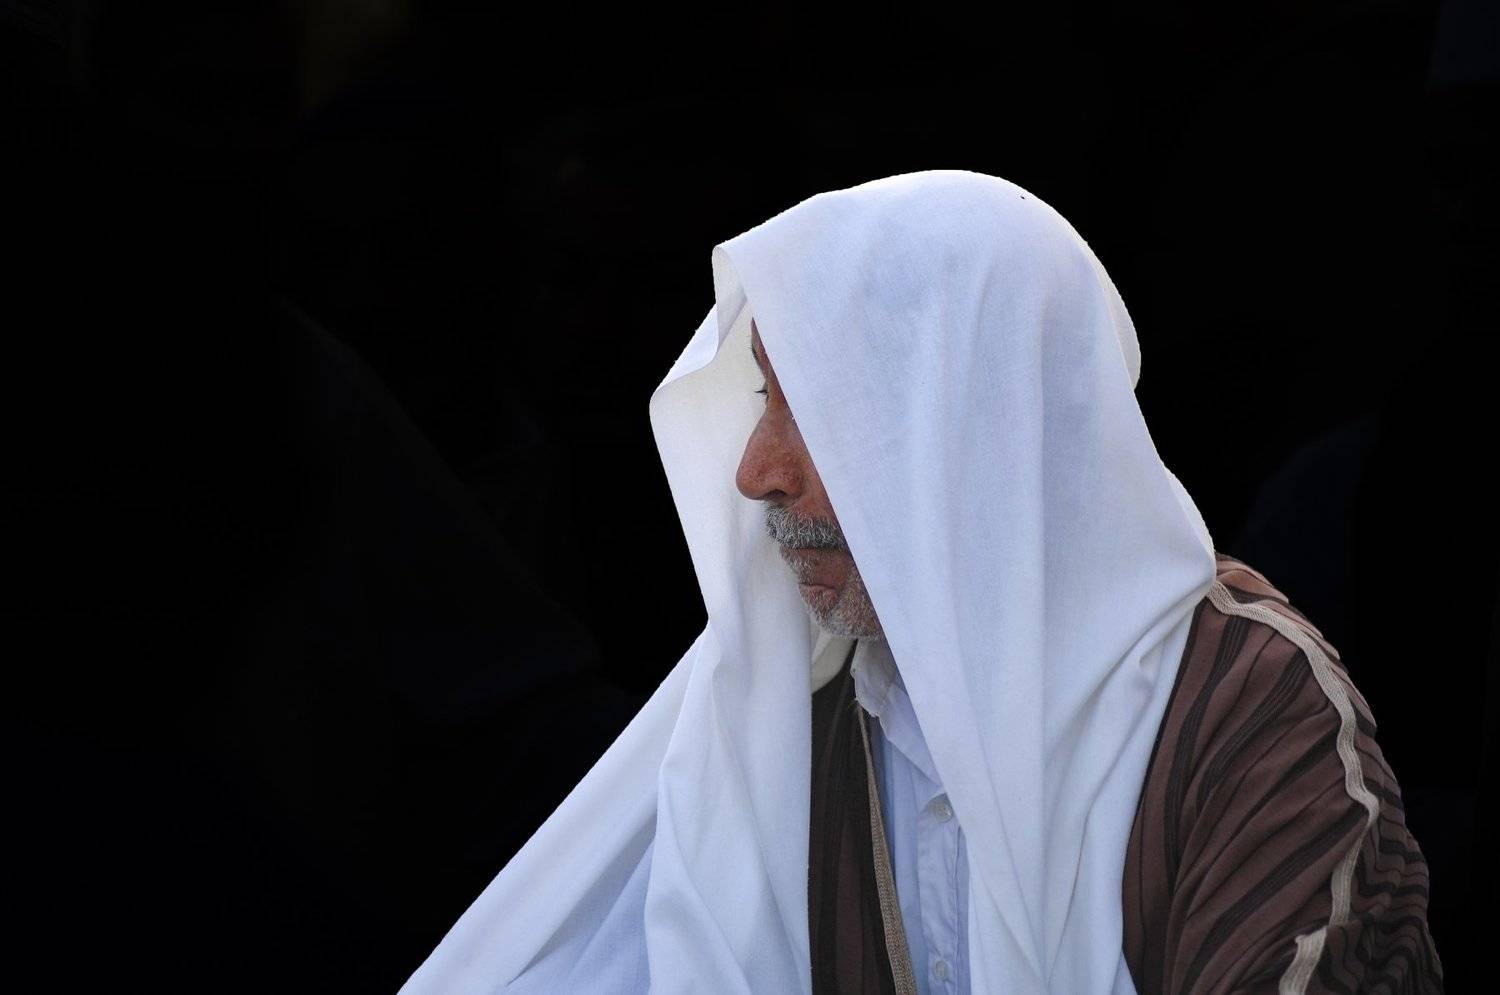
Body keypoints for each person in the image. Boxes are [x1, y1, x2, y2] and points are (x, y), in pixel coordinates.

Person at [399, 169, 1442, 993]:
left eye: (813, 408)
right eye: (762, 401)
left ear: (973, 420)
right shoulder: (780, 718)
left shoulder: (1244, 704)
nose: (756, 471)